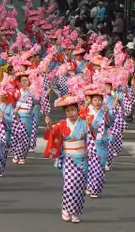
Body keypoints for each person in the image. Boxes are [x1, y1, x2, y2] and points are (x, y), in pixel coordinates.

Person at [44, 94, 90, 223]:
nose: (71, 113)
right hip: (69, 159)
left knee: (80, 187)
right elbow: (52, 134)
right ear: (65, 113)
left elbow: (91, 137)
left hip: (82, 159)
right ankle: (66, 208)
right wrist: (48, 125)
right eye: (68, 111)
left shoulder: (83, 122)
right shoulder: (62, 124)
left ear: (77, 110)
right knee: (70, 184)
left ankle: (75, 212)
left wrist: (89, 126)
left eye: (73, 110)